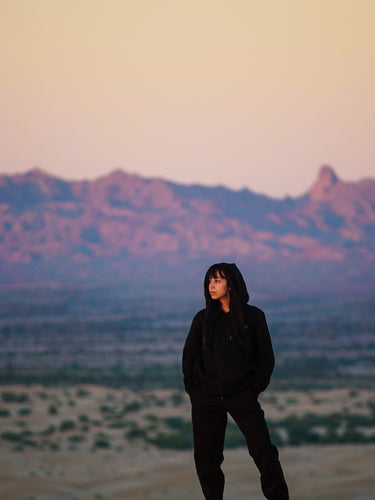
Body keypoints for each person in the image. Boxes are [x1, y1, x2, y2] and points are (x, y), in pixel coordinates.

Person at [182, 262, 289, 500]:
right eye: (210, 280)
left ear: (232, 284)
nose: (212, 285)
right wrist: (194, 389)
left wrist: (253, 390)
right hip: (206, 398)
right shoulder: (203, 319)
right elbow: (189, 357)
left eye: (218, 280)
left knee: (263, 451)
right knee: (206, 459)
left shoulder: (254, 317)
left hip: (242, 396)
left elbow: (266, 358)